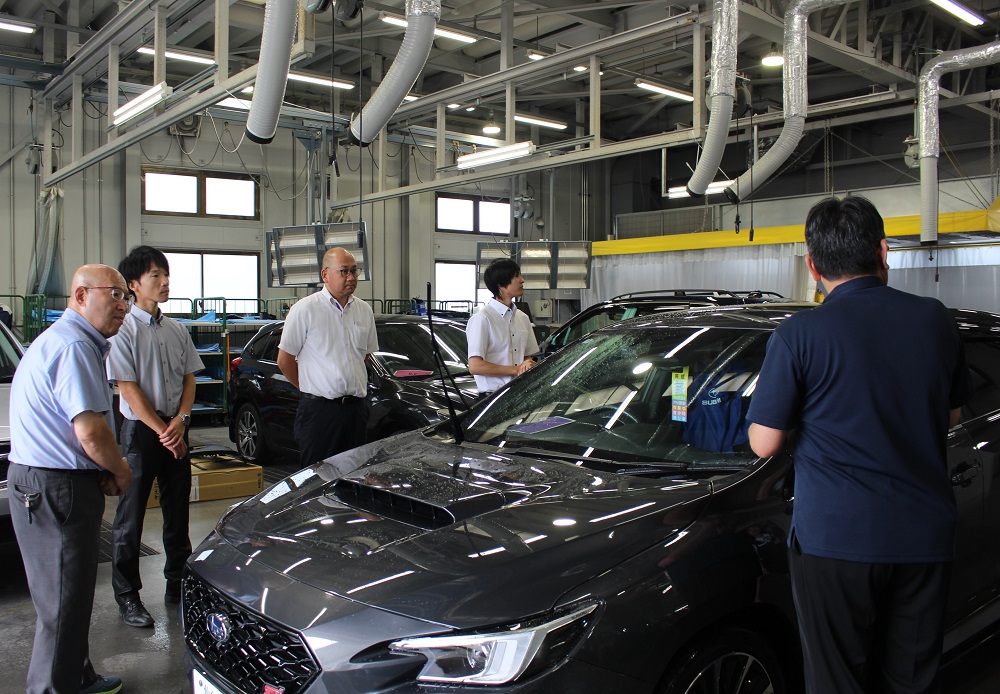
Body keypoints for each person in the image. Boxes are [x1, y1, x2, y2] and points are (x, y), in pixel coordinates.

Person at [746, 195, 972, 694]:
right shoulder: (936, 319)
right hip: (923, 534)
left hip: (836, 540)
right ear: (883, 251)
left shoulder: (799, 334)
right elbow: (952, 415)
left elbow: (764, 443)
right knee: (910, 681)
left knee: (838, 681)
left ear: (813, 266)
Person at [8, 264, 133, 694]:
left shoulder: (66, 340)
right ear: (81, 296)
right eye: (114, 294)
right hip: (56, 487)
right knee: (62, 605)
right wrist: (120, 469)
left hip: (43, 484)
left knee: (69, 596)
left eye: (125, 297)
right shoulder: (75, 346)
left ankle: (78, 677)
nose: (122, 305)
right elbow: (91, 432)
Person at [107, 246, 204, 627]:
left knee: (178, 513)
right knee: (130, 518)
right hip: (141, 433)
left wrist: (181, 419)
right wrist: (166, 431)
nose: (164, 282)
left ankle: (177, 584)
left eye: (166, 275)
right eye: (155, 276)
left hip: (174, 427)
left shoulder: (177, 330)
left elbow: (189, 378)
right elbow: (128, 389)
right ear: (133, 285)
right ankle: (128, 596)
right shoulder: (123, 330)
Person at [277, 246, 378, 465]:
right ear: (325, 274)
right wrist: (312, 387)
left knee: (353, 475)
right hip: (319, 412)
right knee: (317, 477)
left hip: (355, 411)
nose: (351, 277)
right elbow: (284, 361)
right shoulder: (305, 309)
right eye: (344, 271)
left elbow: (364, 356)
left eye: (354, 271)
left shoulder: (364, 310)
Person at [466, 258, 539, 396]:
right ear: (500, 285)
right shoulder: (482, 319)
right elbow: (475, 366)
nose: (522, 280)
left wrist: (527, 363)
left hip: (520, 393)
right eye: (516, 276)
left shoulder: (523, 318)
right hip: (492, 396)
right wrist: (516, 370)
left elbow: (526, 356)